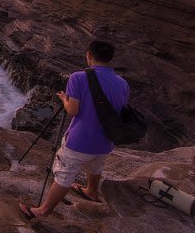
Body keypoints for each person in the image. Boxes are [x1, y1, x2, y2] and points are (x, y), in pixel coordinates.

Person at [19, 40, 129, 219]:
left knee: (64, 175)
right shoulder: (122, 83)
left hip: (80, 141)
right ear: (111, 59)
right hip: (105, 140)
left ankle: (43, 211)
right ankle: (91, 191)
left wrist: (64, 99)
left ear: (89, 56)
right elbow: (119, 109)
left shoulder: (78, 77)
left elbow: (73, 110)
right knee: (96, 165)